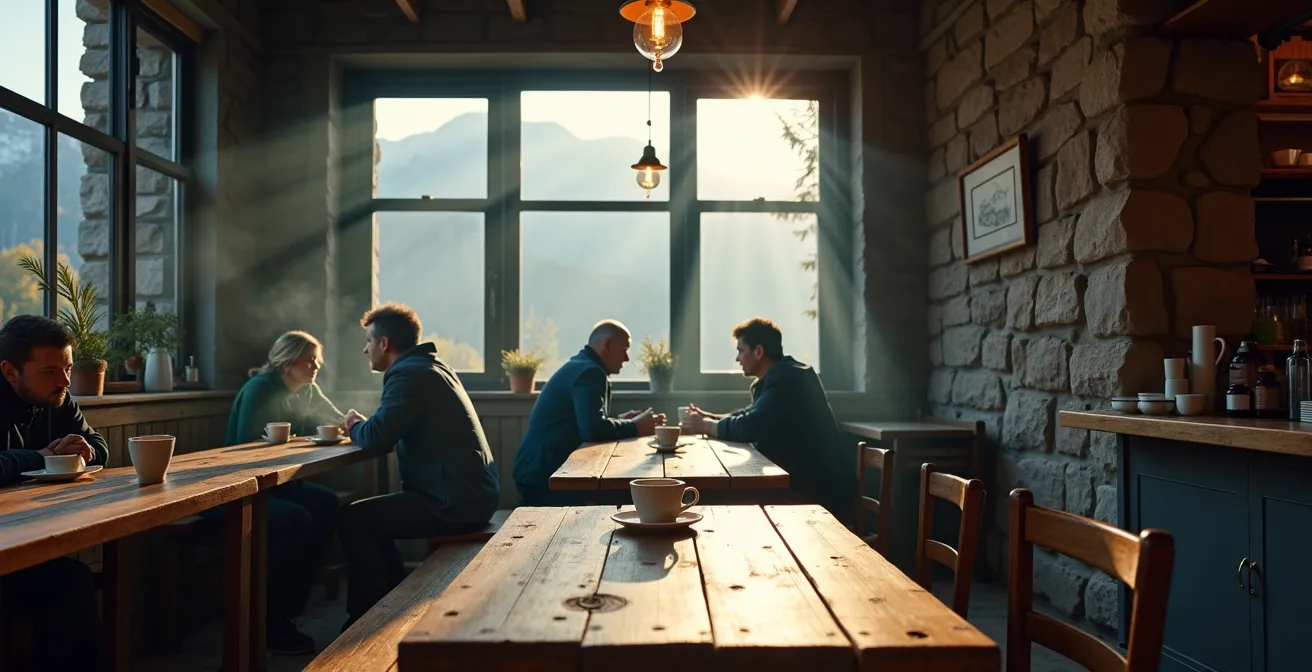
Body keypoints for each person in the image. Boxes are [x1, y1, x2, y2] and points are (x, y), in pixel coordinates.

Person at [338, 303, 500, 629]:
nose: (365, 349)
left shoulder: (408, 374)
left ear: (384, 343)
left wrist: (354, 424)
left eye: (369, 341)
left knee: (355, 519)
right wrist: (371, 427)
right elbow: (389, 426)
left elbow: (377, 439)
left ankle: (365, 618)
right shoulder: (430, 367)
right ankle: (389, 599)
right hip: (472, 494)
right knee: (368, 519)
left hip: (454, 501)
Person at [208, 330, 344, 654]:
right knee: (295, 520)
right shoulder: (260, 388)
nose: (315, 366)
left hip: (281, 482)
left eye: (317, 360)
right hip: (239, 487)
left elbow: (336, 418)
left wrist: (351, 420)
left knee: (327, 504)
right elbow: (247, 450)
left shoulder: (308, 390)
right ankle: (270, 620)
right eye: (308, 359)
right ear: (287, 361)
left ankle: (288, 608)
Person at [0, 315, 106, 671]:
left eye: (69, 367)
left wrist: (85, 448)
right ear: (10, 372)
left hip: (28, 536)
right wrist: (42, 457)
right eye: (50, 370)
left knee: (73, 583)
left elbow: (98, 443)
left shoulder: (57, 396)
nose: (64, 380)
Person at [681, 317, 855, 522]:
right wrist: (709, 417)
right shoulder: (783, 373)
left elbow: (751, 426)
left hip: (818, 493)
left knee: (721, 500)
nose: (737, 359)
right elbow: (750, 414)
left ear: (759, 351)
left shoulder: (788, 378)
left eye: (741, 350)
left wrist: (705, 425)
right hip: (809, 483)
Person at [513, 320, 664, 506]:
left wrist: (620, 421)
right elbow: (592, 429)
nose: (626, 358)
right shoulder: (590, 372)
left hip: (535, 475)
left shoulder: (580, 366)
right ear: (607, 345)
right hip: (546, 481)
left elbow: (586, 423)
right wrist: (635, 426)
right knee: (629, 497)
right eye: (624, 349)